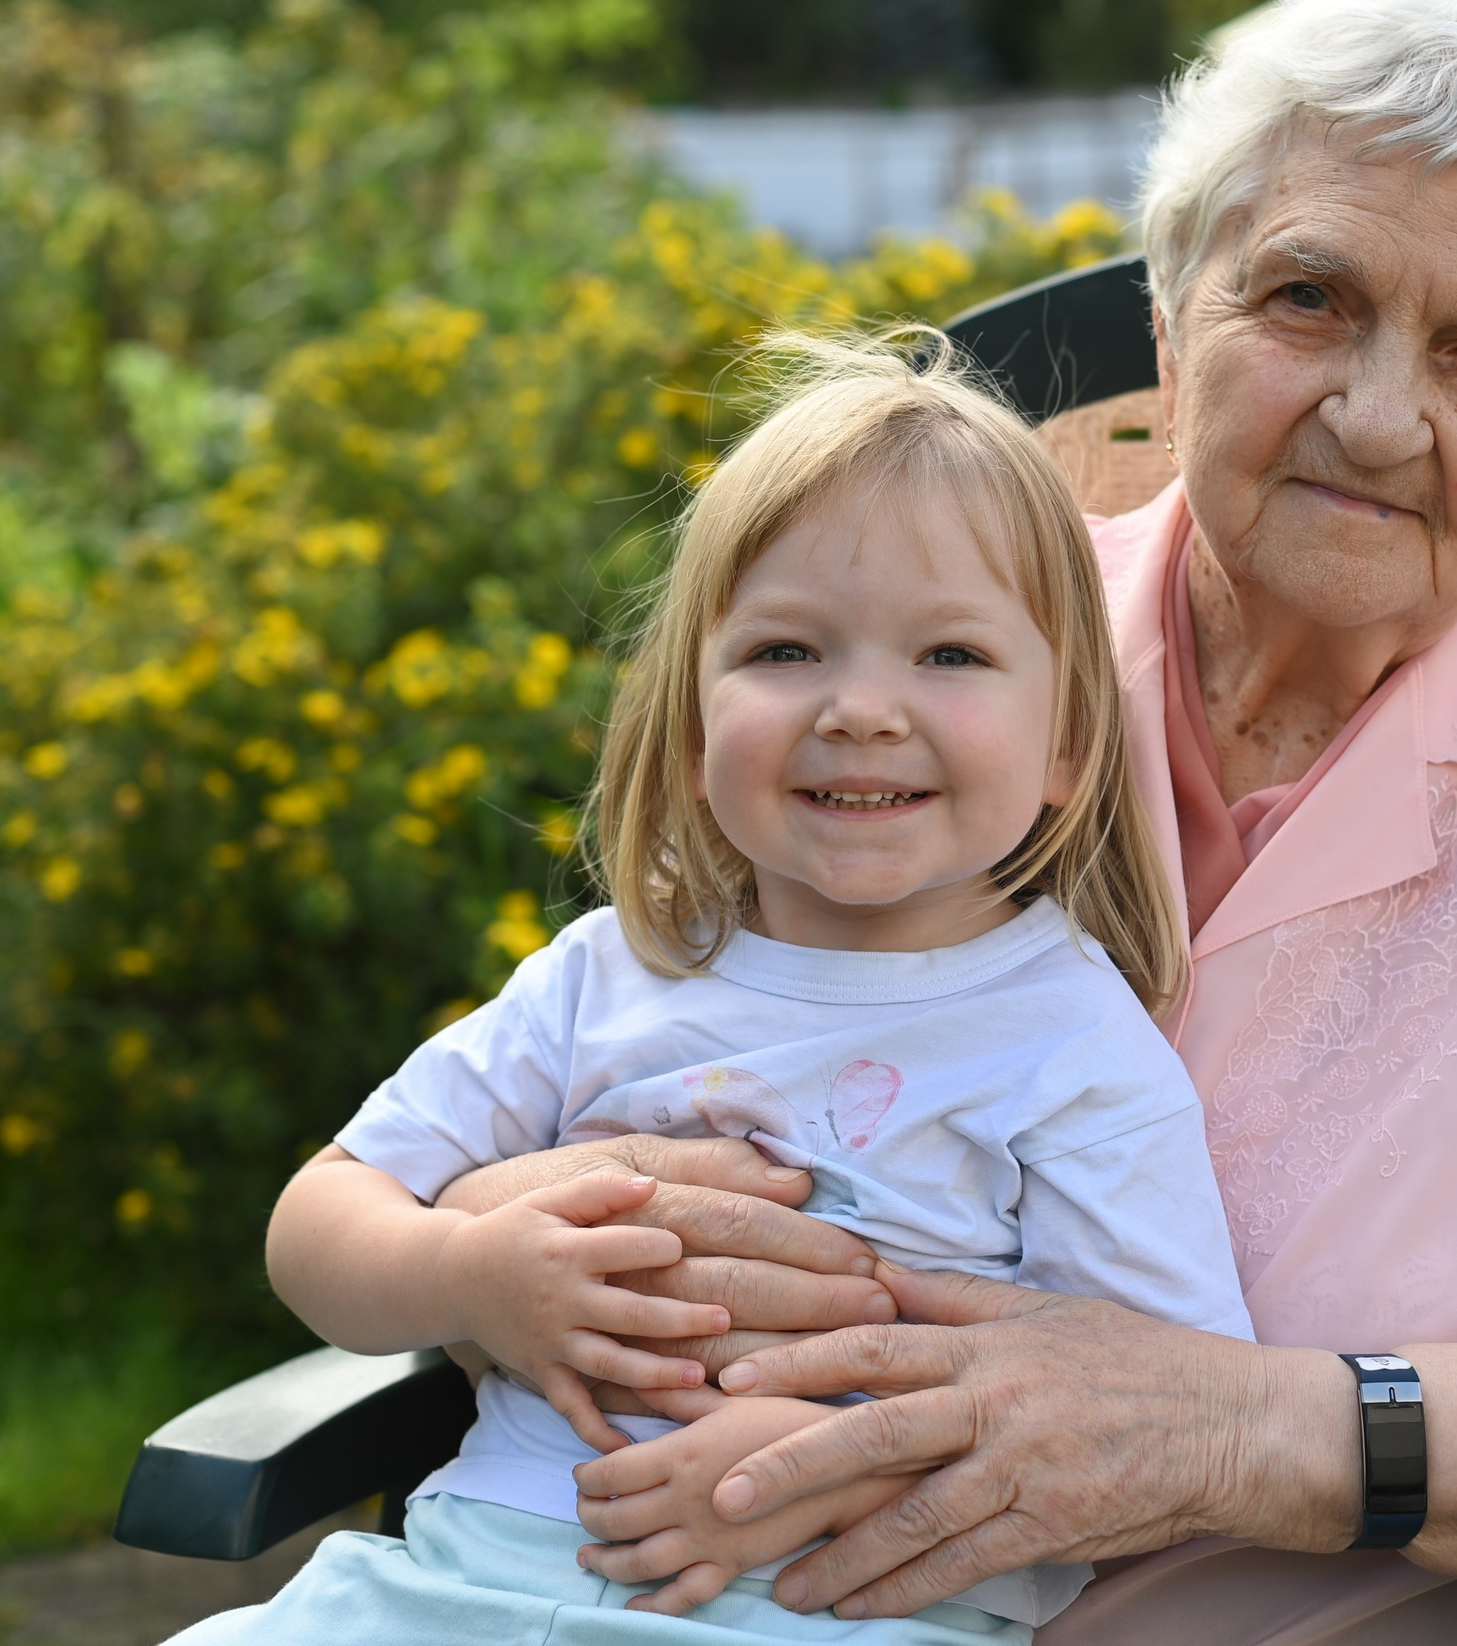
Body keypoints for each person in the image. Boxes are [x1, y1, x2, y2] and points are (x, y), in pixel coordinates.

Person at [429, 0, 1457, 1643]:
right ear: (1175, 328)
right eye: (1310, 298)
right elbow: (610, 1047)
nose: (1379, 414)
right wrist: (501, 1243)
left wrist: (1265, 1435)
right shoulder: (930, 677)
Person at [167, 338, 1256, 1645]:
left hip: (833, 1612)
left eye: (951, 657)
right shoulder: (611, 975)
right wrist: (468, 1272)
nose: (861, 708)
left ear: (1070, 740)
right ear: (690, 728)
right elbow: (318, 1223)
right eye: (788, 650)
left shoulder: (1070, 1046)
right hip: (462, 1582)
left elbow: (1164, 1429)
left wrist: (826, 1472)